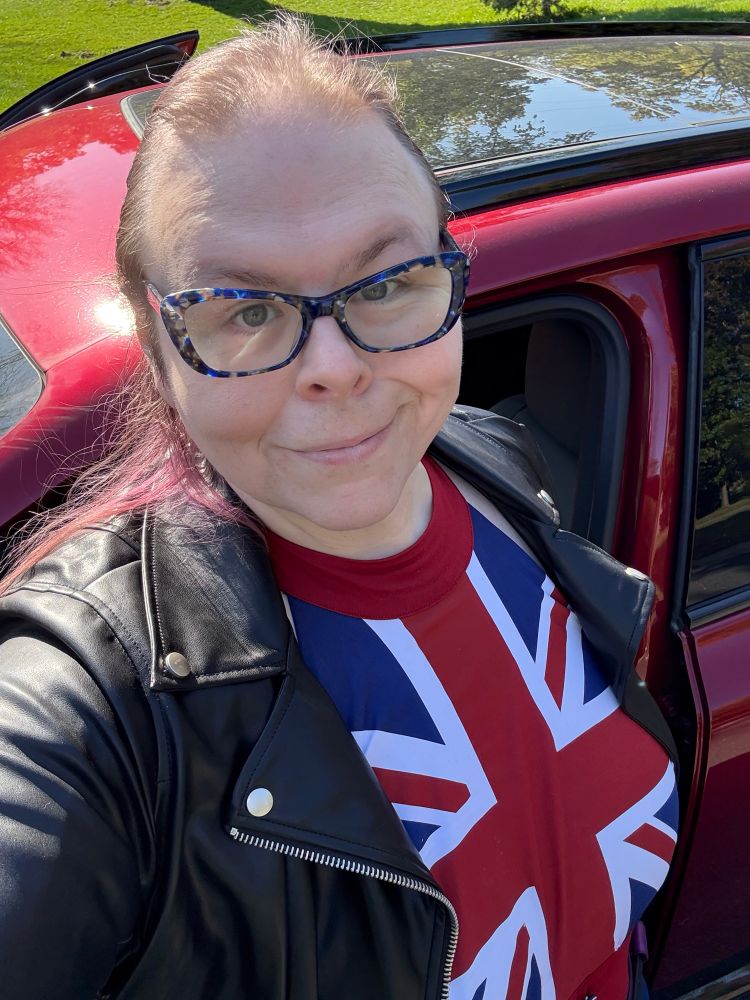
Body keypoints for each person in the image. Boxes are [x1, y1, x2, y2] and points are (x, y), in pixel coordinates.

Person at [0, 16, 678, 1000]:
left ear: (449, 270)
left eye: (387, 279)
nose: (337, 367)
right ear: (158, 346)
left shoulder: (491, 461)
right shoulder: (93, 705)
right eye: (244, 309)